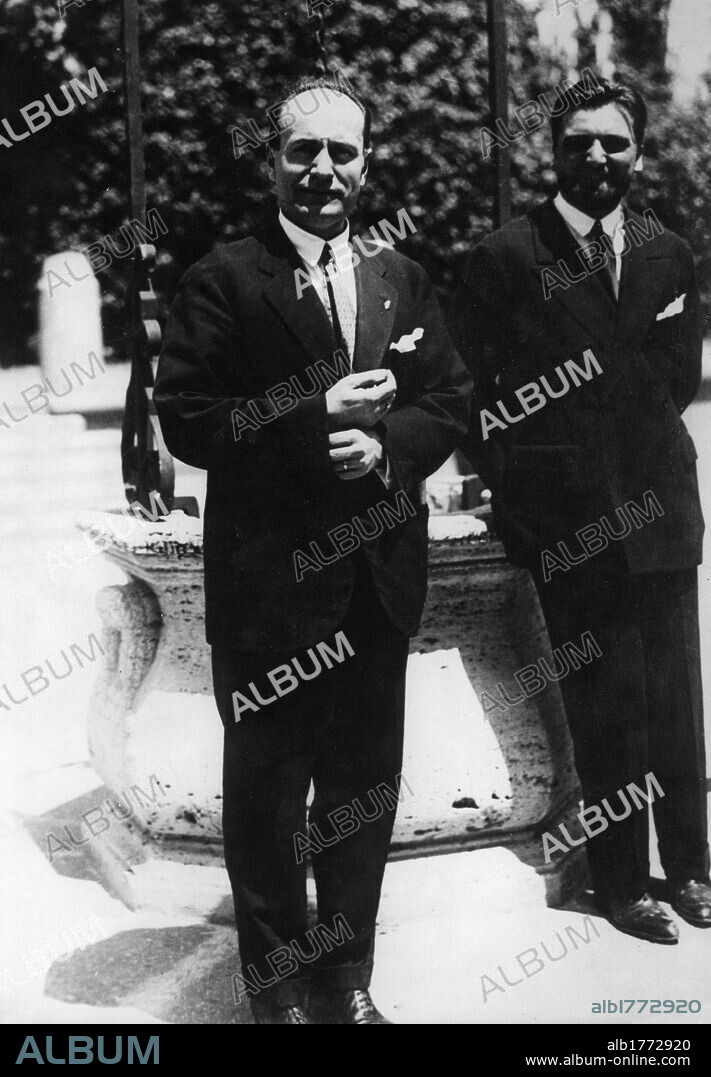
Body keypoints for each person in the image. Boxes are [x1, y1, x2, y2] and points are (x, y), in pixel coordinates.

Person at [154, 75, 471, 1022]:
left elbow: (448, 397)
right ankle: (278, 993)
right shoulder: (223, 276)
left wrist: (387, 445)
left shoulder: (399, 276)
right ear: (272, 160)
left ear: (365, 163)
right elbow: (189, 421)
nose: (323, 170)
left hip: (375, 582)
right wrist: (310, 419)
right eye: (303, 151)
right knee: (265, 801)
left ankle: (346, 983)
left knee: (361, 794)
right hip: (270, 590)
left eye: (342, 152)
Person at [450, 75, 710, 944]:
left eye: (615, 141)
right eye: (579, 142)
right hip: (568, 526)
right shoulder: (503, 257)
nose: (597, 157)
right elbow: (470, 393)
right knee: (603, 703)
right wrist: (521, 499)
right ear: (552, 149)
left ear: (637, 151)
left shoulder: (669, 251)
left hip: (663, 512)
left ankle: (694, 867)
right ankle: (622, 882)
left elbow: (677, 380)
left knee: (677, 700)